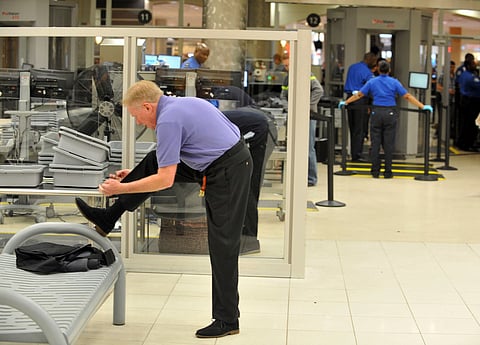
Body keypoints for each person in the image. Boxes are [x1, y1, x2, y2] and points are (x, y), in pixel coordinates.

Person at [75, 80, 252, 338]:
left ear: (148, 106)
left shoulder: (169, 120)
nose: (139, 123)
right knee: (152, 160)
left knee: (223, 243)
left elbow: (165, 180)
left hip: (229, 170)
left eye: (137, 116)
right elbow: (165, 162)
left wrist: (121, 189)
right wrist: (133, 178)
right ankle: (108, 217)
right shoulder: (179, 105)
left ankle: (227, 319)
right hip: (217, 160)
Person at [339, 61, 432, 178]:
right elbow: (407, 96)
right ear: (389, 70)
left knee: (375, 142)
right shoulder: (394, 82)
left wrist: (346, 102)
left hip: (376, 112)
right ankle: (388, 171)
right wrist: (422, 106)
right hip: (390, 113)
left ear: (378, 69)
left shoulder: (372, 81)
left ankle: (375, 171)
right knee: (388, 143)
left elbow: (359, 94)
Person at [280, 56, 323, 186]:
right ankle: (296, 177)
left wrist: (307, 106)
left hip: (308, 117)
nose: (287, 68)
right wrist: (289, 108)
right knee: (293, 147)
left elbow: (319, 90)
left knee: (308, 148)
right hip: (293, 116)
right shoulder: (287, 79)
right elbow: (283, 96)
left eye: (289, 65)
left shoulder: (307, 75)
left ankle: (311, 179)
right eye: (285, 66)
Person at [343, 52, 378, 161]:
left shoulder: (352, 67)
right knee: (360, 129)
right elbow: (370, 88)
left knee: (352, 127)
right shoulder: (367, 73)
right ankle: (357, 155)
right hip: (360, 100)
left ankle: (353, 152)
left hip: (349, 99)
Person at [456, 58, 480, 151]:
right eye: (473, 64)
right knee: (471, 124)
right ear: (469, 65)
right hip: (471, 102)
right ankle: (467, 144)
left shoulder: (464, 74)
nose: (475, 66)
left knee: (466, 123)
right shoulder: (470, 77)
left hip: (466, 101)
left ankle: (463, 143)